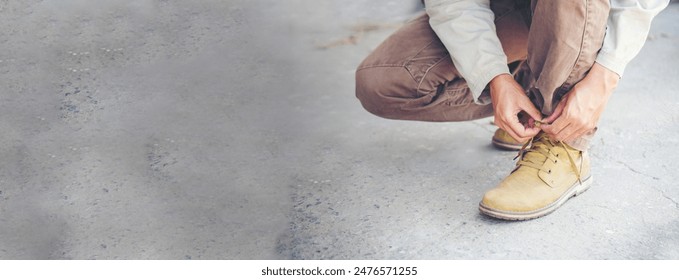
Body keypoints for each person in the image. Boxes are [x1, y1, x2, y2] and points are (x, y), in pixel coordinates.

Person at [355, 0, 669, 220]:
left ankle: (564, 144)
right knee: (384, 81)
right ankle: (531, 92)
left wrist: (606, 74)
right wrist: (495, 76)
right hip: (513, 9)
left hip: (586, 10)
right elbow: (454, 3)